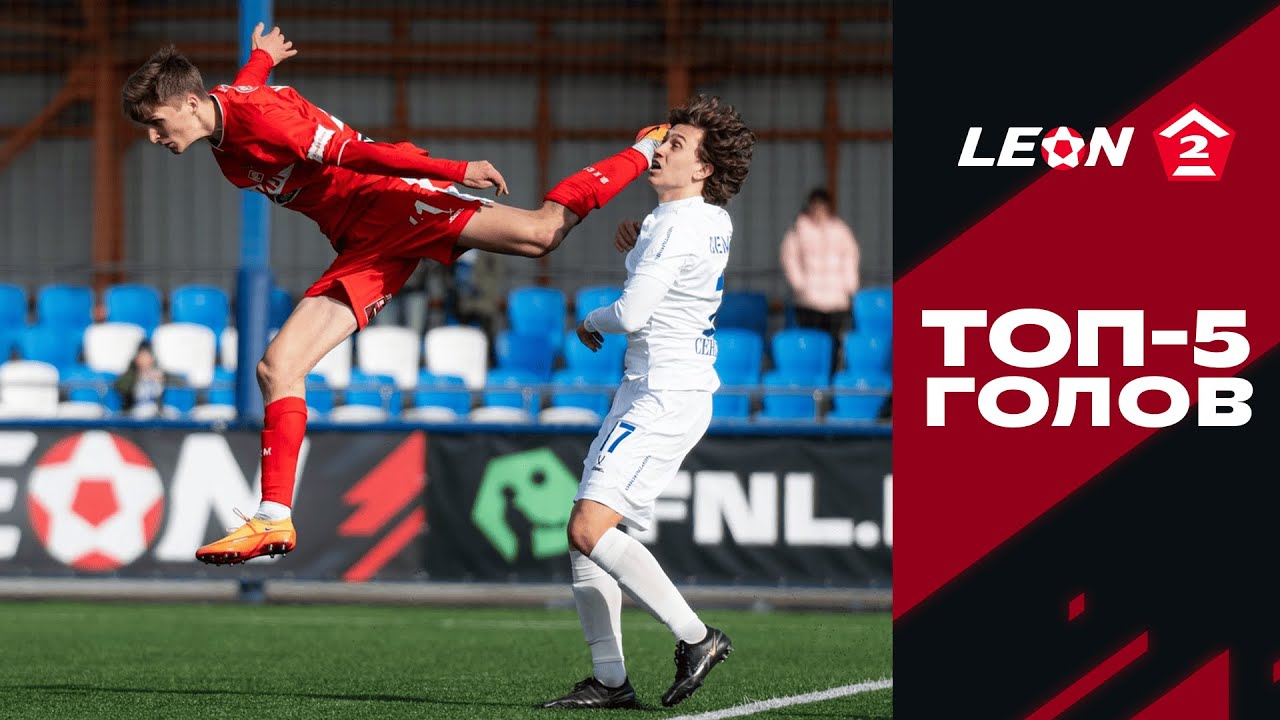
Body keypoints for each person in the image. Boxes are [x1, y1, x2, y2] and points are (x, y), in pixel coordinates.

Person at [120, 25, 670, 565]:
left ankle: (646, 148)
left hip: (396, 201)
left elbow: (363, 154)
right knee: (277, 368)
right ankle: (273, 515)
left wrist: (456, 170)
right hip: (362, 241)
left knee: (541, 234)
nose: (153, 136)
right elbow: (244, 86)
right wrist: (262, 56)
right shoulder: (223, 118)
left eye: (155, 122)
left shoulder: (264, 120)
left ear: (189, 103)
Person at [541, 95, 754, 710]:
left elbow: (633, 312)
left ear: (703, 169)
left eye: (676, 145)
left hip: (663, 393)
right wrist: (640, 245)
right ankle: (610, 680)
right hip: (657, 388)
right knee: (584, 536)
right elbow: (681, 263)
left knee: (588, 529)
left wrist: (590, 319)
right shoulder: (708, 219)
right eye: (664, 140)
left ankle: (697, 636)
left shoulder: (676, 225)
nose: (659, 150)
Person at [780, 187, 860, 339]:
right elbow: (789, 258)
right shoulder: (799, 229)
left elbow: (850, 256)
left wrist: (850, 285)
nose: (819, 210)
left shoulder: (840, 230)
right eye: (815, 206)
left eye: (822, 206)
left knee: (834, 341)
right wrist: (800, 284)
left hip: (836, 299)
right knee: (811, 340)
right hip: (809, 299)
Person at [113, 341, 178, 417]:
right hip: (135, 412)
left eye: (147, 356)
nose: (144, 360)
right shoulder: (131, 373)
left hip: (156, 413)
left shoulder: (159, 373)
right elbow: (120, 386)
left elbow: (179, 383)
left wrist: (163, 379)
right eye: (142, 356)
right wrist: (138, 377)